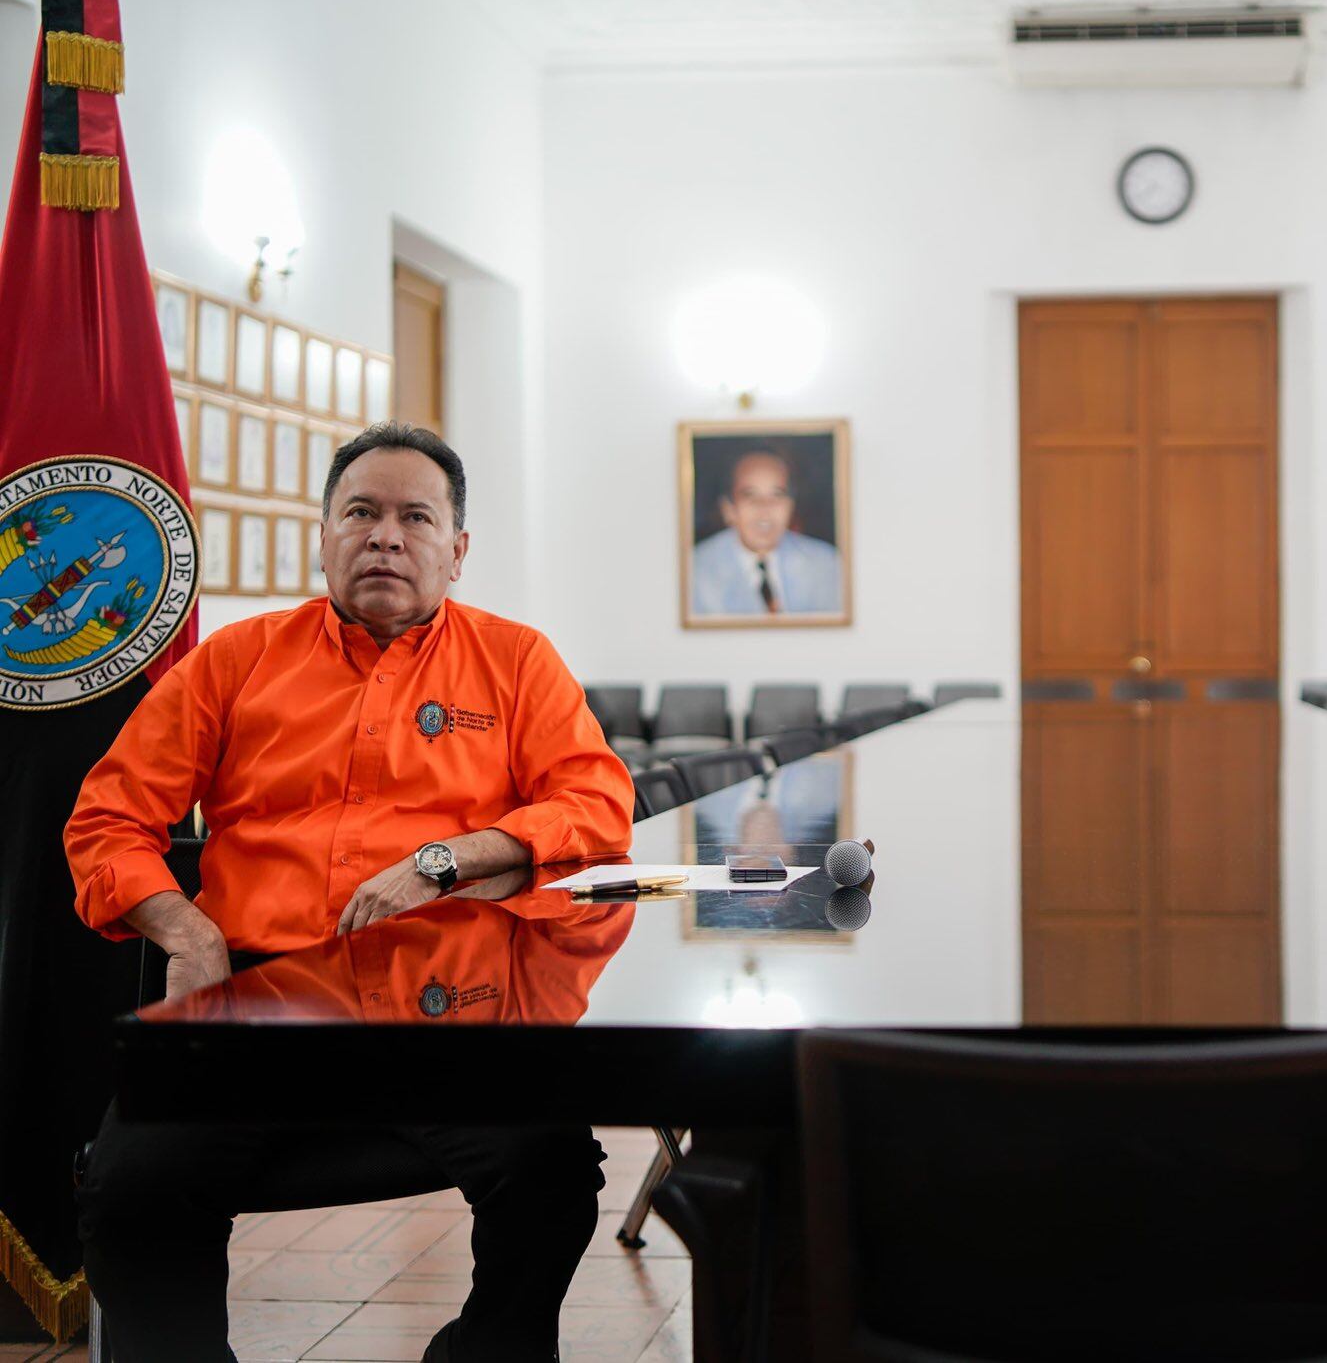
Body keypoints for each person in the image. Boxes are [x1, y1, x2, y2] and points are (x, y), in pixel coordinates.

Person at [64, 423, 634, 1362]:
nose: (385, 537)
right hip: (253, 1002)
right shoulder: (234, 662)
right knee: (130, 1195)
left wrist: (447, 859)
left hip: (449, 1002)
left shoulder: (517, 660)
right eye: (361, 513)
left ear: (456, 551)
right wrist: (187, 933)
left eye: (416, 517)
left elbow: (597, 805)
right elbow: (106, 820)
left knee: (552, 1169)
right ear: (322, 535)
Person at [689, 446, 843, 616]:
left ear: (791, 505)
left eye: (777, 495)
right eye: (750, 496)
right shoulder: (695, 571)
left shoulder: (827, 565)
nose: (765, 509)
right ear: (729, 509)